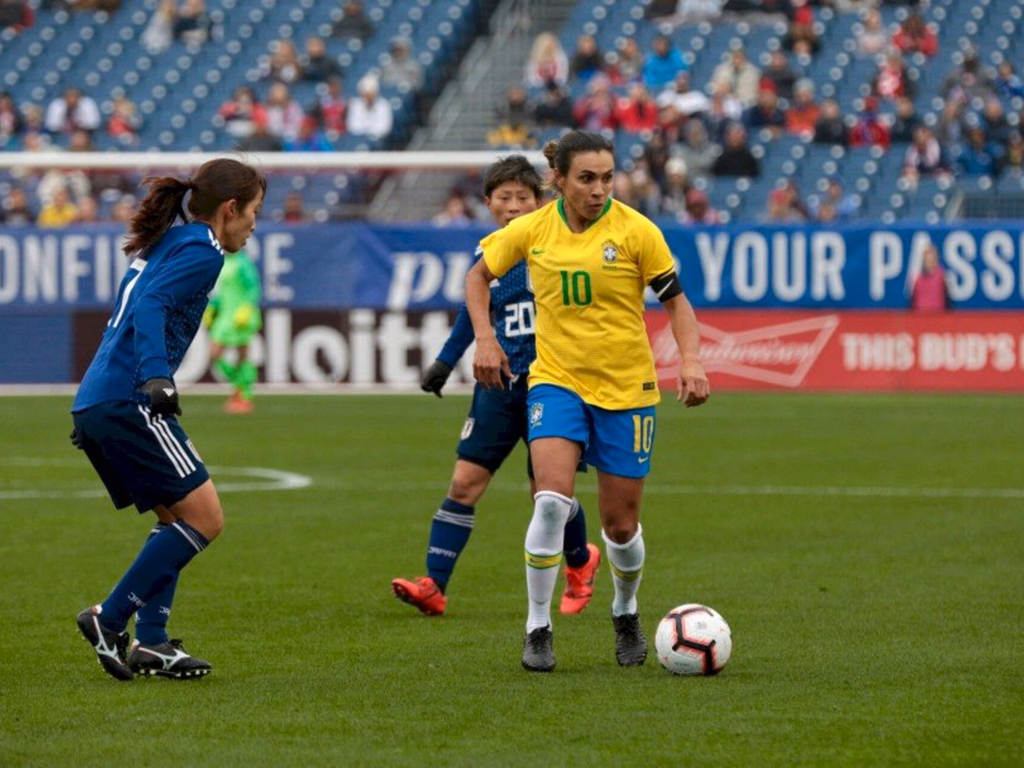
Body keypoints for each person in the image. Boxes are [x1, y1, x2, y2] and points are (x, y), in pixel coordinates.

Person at [465, 131, 710, 672]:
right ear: (559, 180)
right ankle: (537, 627)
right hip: (555, 381)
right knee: (550, 499)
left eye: (606, 178)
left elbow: (677, 303)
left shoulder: (636, 231)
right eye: (587, 179)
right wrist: (485, 338)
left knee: (620, 527)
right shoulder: (532, 229)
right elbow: (478, 276)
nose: (599, 189)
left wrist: (690, 360)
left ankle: (625, 610)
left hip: (626, 390)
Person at [70, 158, 266, 681]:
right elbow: (150, 305)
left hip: (101, 400)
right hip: (131, 397)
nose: (254, 224)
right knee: (205, 519)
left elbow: (125, 309)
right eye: (253, 212)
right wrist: (157, 376)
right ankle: (109, 619)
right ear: (230, 209)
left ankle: (152, 643)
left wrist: (96, 402)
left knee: (174, 519)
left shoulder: (166, 243)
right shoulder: (202, 251)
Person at [392, 155, 602, 618]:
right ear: (488, 203)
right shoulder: (489, 255)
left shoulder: (562, 246)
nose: (512, 207)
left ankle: (580, 561)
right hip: (499, 386)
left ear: (540, 201)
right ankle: (434, 584)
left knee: (546, 494)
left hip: (555, 385)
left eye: (521, 198)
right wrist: (445, 362)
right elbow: (474, 311)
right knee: (464, 482)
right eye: (503, 198)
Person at [203, 248, 263, 413]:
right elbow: (222, 292)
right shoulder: (223, 262)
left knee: (242, 355)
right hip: (226, 314)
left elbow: (254, 288)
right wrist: (213, 307)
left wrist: (246, 307)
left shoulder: (243, 262)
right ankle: (240, 384)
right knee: (215, 353)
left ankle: (244, 396)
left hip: (240, 314)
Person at [910, 242, 948, 312]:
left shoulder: (941, 277)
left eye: (931, 259)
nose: (929, 262)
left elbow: (948, 300)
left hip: (938, 317)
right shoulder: (918, 280)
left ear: (936, 260)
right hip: (920, 318)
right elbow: (913, 301)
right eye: (926, 259)